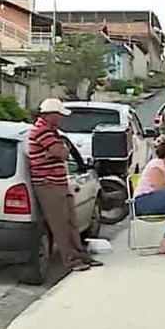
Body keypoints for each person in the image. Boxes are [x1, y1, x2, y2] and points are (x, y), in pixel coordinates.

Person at [28, 98, 103, 272]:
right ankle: (70, 260)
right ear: (50, 115)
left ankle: (79, 254)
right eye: (59, 115)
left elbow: (60, 151)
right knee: (60, 224)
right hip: (48, 184)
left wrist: (57, 150)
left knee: (71, 222)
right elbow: (61, 153)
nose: (62, 119)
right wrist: (58, 150)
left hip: (59, 182)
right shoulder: (42, 131)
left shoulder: (52, 132)